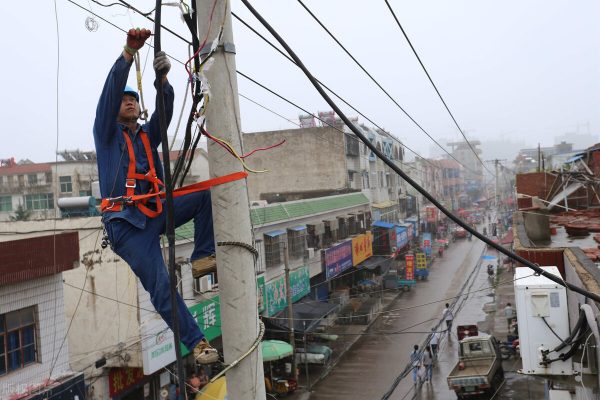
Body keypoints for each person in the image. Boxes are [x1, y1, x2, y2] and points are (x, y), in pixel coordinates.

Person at [94, 28, 218, 364]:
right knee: (161, 284)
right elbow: (108, 96)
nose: (130, 101)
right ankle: (197, 342)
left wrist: (162, 81)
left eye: (133, 98)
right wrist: (128, 55)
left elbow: (163, 113)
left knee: (204, 194)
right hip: (127, 226)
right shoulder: (106, 137)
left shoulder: (147, 135)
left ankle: (203, 258)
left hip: (156, 211)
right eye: (124, 99)